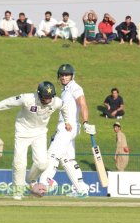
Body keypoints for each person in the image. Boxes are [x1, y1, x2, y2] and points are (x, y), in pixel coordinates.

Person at [0, 81, 72, 200]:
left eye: (50, 96)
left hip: (40, 133)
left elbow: (64, 106)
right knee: (19, 163)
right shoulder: (27, 99)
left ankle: (30, 180)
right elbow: (8, 102)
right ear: (39, 94)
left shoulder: (56, 101)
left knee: (42, 164)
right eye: (45, 97)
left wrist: (67, 121)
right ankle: (17, 194)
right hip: (22, 132)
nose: (48, 99)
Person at [38, 64, 96, 198]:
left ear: (72, 76)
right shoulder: (64, 91)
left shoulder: (75, 87)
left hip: (68, 127)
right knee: (67, 159)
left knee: (52, 154)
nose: (64, 77)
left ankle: (42, 185)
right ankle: (81, 189)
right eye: (62, 75)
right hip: (66, 127)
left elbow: (83, 104)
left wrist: (85, 121)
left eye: (67, 75)